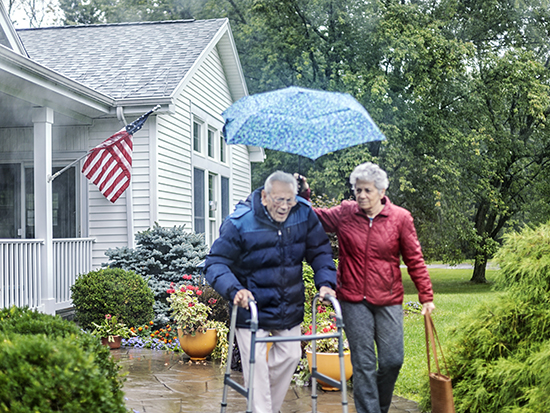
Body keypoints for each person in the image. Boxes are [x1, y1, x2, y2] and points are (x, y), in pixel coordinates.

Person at [296, 163, 435, 413]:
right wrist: (303, 195)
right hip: (353, 299)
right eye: (357, 190)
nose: (361, 195)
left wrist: (426, 296)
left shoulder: (400, 218)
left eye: (367, 190)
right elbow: (313, 218)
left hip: (388, 298)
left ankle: (378, 407)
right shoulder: (346, 212)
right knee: (363, 364)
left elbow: (414, 259)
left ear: (382, 191)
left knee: (393, 360)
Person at [204, 170, 337, 413]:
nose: (285, 206)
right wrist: (235, 290)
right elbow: (215, 263)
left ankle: (266, 408)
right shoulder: (239, 223)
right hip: (250, 307)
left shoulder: (304, 214)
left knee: (290, 357)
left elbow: (319, 252)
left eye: (290, 200)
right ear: (264, 196)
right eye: (279, 200)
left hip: (288, 306)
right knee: (256, 365)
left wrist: (326, 282)